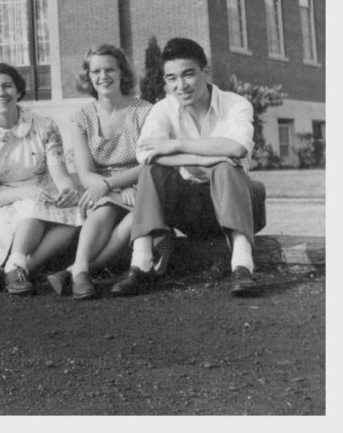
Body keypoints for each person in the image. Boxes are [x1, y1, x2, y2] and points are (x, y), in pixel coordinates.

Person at [111, 37, 266, 298]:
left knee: (226, 168)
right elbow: (145, 153)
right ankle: (141, 265)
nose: (180, 86)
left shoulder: (236, 104)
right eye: (171, 78)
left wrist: (176, 145)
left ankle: (242, 266)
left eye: (188, 74)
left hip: (240, 203)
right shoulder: (163, 108)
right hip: (191, 210)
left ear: (206, 72)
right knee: (152, 170)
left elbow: (238, 147)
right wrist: (199, 159)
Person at [45, 45, 152, 300]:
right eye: (96, 71)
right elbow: (85, 173)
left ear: (122, 73)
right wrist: (115, 186)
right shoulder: (82, 118)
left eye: (109, 70)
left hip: (140, 185)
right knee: (103, 207)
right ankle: (80, 269)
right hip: (102, 188)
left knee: (139, 211)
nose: (103, 77)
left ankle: (75, 271)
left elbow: (150, 163)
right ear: (88, 76)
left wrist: (122, 184)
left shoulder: (145, 111)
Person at [0, 63, 82, 295]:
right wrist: (25, 193)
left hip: (43, 189)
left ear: (18, 91)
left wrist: (67, 189)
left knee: (77, 213)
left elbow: (58, 172)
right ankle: (18, 263)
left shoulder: (45, 126)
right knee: (31, 205)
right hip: (4, 200)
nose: (1, 93)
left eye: (7, 86)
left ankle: (18, 268)